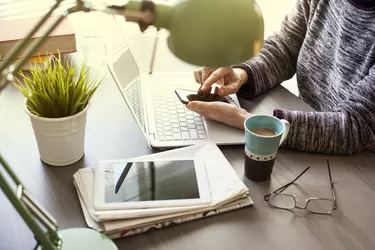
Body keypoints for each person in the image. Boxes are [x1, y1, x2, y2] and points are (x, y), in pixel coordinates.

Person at [187, 0, 375, 155]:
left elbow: (357, 127)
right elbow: (284, 48)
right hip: (306, 132)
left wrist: (246, 120)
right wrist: (242, 74)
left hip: (359, 164)